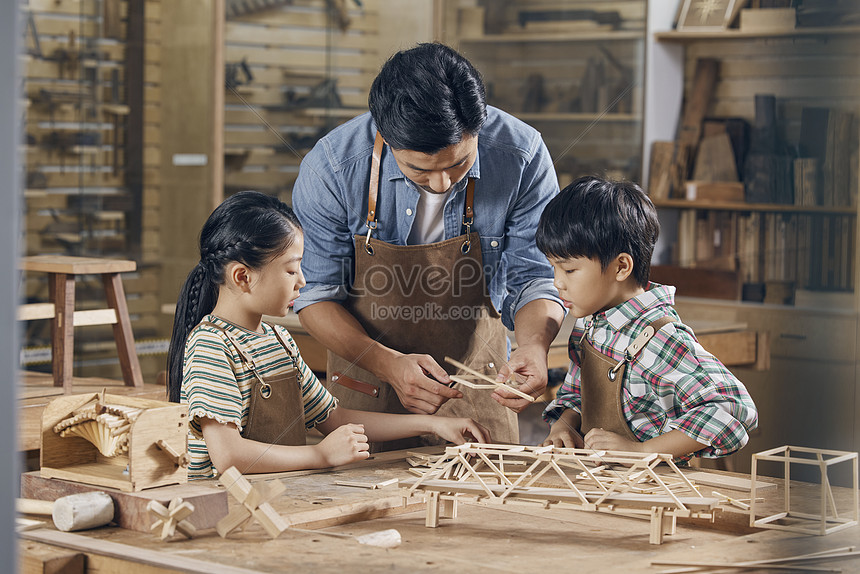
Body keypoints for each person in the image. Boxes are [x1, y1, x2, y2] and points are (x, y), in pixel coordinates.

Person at [292, 43, 564, 447]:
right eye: (419, 169)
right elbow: (316, 296)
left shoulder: (521, 156)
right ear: (383, 133)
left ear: (480, 125)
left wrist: (534, 346)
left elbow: (534, 277)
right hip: (366, 391)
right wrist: (387, 364)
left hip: (478, 389)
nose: (442, 184)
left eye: (459, 164)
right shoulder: (332, 167)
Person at [167, 191, 488, 479]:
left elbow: (331, 416)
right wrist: (320, 454)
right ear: (242, 276)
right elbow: (228, 456)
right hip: (225, 509)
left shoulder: (277, 341)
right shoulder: (211, 346)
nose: (302, 281)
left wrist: (434, 425)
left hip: (276, 500)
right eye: (291, 270)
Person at [536, 176, 758, 461]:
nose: (557, 282)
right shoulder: (589, 326)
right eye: (553, 267)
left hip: (655, 491)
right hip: (600, 482)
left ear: (621, 267)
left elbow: (731, 410)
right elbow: (577, 393)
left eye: (568, 270)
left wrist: (642, 450)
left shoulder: (660, 339)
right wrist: (563, 425)